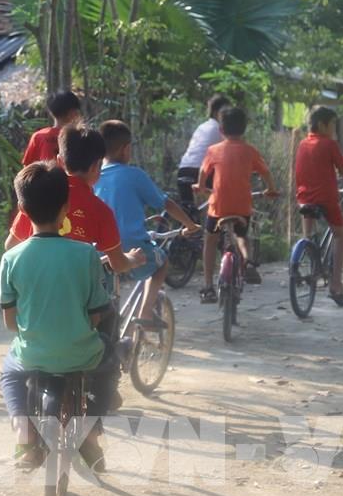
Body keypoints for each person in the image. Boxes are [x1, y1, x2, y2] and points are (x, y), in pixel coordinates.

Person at [0, 162, 116, 470]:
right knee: (109, 365)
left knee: (9, 374)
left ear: (22, 209)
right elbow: (97, 314)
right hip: (82, 353)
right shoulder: (86, 254)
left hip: (32, 354)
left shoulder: (10, 259)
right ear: (66, 208)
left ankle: (24, 435)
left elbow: (10, 323)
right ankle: (90, 434)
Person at [94, 120, 201, 326]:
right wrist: (190, 225)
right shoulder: (135, 175)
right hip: (133, 245)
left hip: (100, 249)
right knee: (161, 262)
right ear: (126, 149)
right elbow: (166, 204)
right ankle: (145, 313)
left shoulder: (94, 177)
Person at [6, 124, 144, 282]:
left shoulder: (40, 196)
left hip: (36, 288)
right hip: (77, 291)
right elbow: (118, 264)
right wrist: (133, 259)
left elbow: (11, 245)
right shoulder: (100, 210)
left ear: (59, 161)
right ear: (97, 166)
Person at [194, 106, 278, 304]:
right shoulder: (250, 151)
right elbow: (266, 172)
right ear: (244, 128)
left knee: (210, 240)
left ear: (221, 129)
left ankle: (208, 286)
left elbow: (203, 173)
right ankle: (248, 261)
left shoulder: (213, 150)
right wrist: (271, 189)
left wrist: (200, 187)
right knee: (241, 235)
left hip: (219, 206)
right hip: (241, 206)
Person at [295, 106, 343, 304]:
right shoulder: (329, 144)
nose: (334, 128)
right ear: (322, 125)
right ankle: (336, 284)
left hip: (304, 197)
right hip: (326, 198)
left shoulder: (302, 144)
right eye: (333, 124)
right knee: (339, 235)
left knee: (308, 234)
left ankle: (307, 252)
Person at [176, 94, 231, 205]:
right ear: (216, 113)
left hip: (183, 170)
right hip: (201, 172)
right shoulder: (220, 129)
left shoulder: (202, 127)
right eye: (225, 112)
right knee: (224, 199)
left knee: (188, 210)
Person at [21, 89, 82, 165]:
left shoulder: (38, 137)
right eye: (77, 111)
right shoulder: (79, 137)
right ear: (72, 113)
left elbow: (27, 167)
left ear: (51, 113)